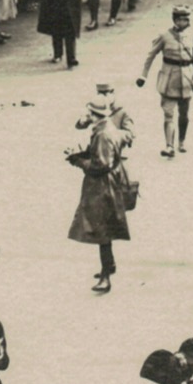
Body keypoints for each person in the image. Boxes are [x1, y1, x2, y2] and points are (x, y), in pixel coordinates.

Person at [68, 85, 134, 294]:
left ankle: (106, 276)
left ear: (95, 114)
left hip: (103, 187)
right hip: (108, 183)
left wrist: (78, 161)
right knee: (103, 227)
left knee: (101, 230)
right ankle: (110, 265)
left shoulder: (103, 134)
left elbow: (100, 165)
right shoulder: (106, 128)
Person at [138, 6, 193, 158]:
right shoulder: (164, 36)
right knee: (168, 114)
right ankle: (169, 146)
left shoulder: (191, 35)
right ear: (174, 20)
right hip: (169, 79)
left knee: (184, 114)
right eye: (180, 19)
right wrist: (143, 76)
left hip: (186, 80)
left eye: (186, 20)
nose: (183, 22)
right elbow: (150, 55)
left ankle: (181, 141)